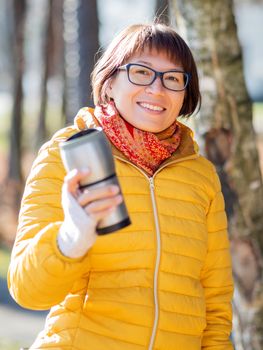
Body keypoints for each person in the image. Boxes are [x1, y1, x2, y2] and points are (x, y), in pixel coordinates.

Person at [8, 23, 234, 350]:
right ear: (110, 81)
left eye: (172, 78)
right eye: (141, 72)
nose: (157, 89)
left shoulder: (201, 176)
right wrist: (71, 238)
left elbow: (214, 300)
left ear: (185, 93)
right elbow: (27, 290)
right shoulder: (64, 155)